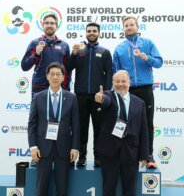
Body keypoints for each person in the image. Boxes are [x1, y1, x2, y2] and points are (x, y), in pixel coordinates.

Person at [113, 16, 163, 169]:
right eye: (126, 25)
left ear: (137, 26)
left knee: (147, 123)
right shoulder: (120, 48)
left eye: (131, 25)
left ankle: (148, 155)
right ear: (123, 28)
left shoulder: (148, 43)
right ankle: (127, 154)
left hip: (145, 88)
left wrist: (146, 57)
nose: (129, 27)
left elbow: (159, 62)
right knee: (125, 123)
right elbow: (115, 71)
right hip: (127, 91)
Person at [27, 63, 79, 196]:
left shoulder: (72, 98)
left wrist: (74, 147)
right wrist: (33, 146)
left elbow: (76, 125)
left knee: (62, 188)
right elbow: (32, 124)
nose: (55, 77)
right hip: (42, 148)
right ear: (47, 76)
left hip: (64, 148)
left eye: (58, 74)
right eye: (52, 74)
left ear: (63, 77)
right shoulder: (38, 97)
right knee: (41, 187)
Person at [95, 70, 149, 196]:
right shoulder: (108, 95)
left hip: (131, 153)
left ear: (129, 83)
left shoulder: (139, 103)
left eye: (123, 81)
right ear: (112, 83)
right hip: (109, 152)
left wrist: (144, 155)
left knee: (130, 190)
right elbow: (105, 101)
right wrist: (100, 99)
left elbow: (144, 130)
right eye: (117, 81)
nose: (120, 84)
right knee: (108, 189)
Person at [66, 22, 113, 167]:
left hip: (98, 97)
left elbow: (109, 74)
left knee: (99, 128)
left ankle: (98, 157)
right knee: (81, 128)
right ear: (85, 33)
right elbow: (67, 68)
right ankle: (82, 157)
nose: (91, 33)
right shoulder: (79, 50)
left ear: (99, 33)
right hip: (80, 96)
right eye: (89, 31)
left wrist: (105, 94)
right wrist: (72, 54)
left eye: (94, 31)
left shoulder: (104, 52)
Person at [21, 13, 71, 98]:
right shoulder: (35, 43)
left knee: (57, 111)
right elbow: (24, 66)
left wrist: (66, 88)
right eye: (46, 23)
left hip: (58, 87)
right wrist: (36, 54)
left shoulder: (64, 45)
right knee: (37, 112)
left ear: (57, 25)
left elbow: (67, 70)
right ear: (43, 25)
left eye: (52, 23)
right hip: (39, 87)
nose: (49, 25)